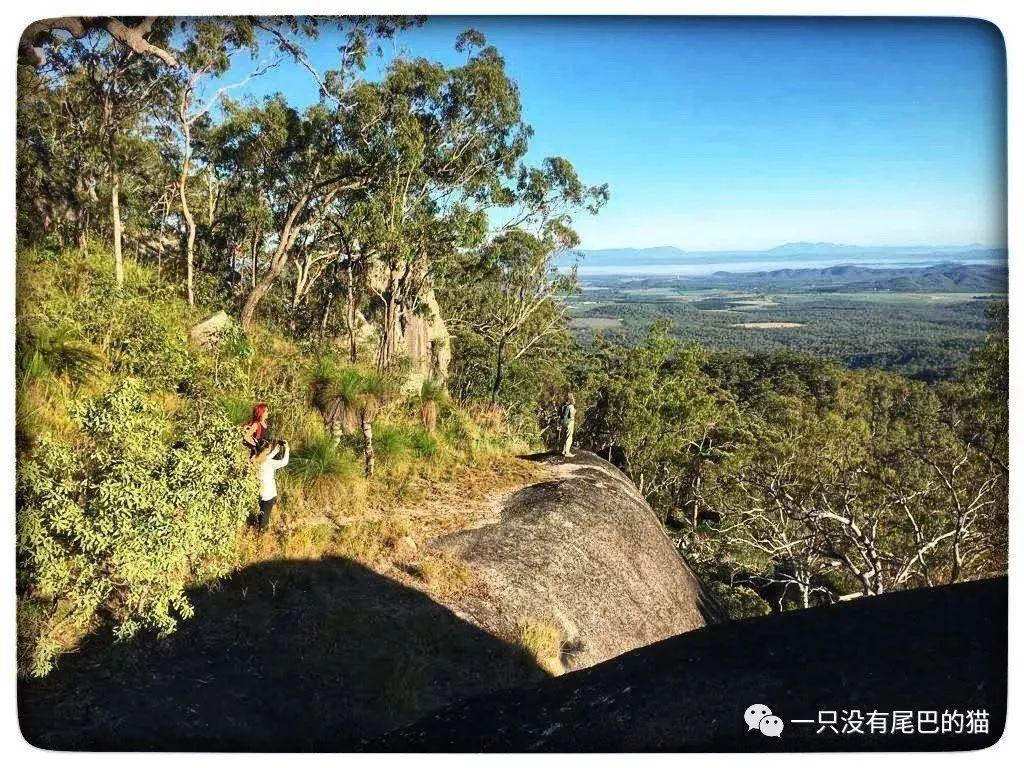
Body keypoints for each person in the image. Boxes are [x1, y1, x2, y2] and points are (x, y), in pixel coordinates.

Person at [253, 439, 289, 531]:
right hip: (268, 495)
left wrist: (274, 452)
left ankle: (257, 527)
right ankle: (261, 535)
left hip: (258, 493)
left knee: (260, 512)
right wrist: (287, 449)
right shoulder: (269, 463)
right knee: (264, 517)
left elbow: (265, 457)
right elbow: (284, 462)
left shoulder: (254, 460)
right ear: (265, 451)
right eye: (268, 450)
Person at [560, 393, 576, 458]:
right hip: (569, 423)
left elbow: (560, 414)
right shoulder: (571, 406)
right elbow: (571, 416)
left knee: (564, 436)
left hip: (563, 422)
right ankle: (567, 452)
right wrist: (575, 412)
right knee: (569, 437)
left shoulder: (563, 405)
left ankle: (563, 450)